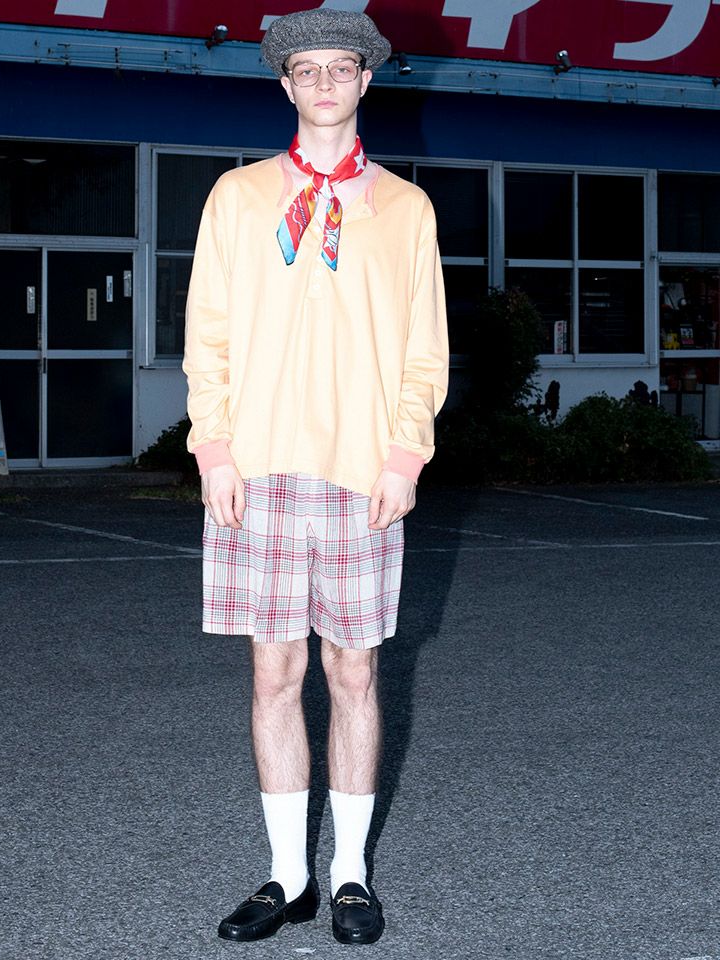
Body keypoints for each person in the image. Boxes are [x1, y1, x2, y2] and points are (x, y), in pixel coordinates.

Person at [182, 6, 449, 946]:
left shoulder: (406, 210)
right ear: (285, 83)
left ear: (366, 80)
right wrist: (214, 451)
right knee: (273, 671)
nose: (325, 82)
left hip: (359, 473)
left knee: (355, 671)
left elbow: (423, 352)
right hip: (255, 467)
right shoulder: (238, 196)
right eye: (308, 69)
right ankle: (288, 875)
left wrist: (404, 456)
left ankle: (349, 877)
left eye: (342, 67)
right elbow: (207, 337)